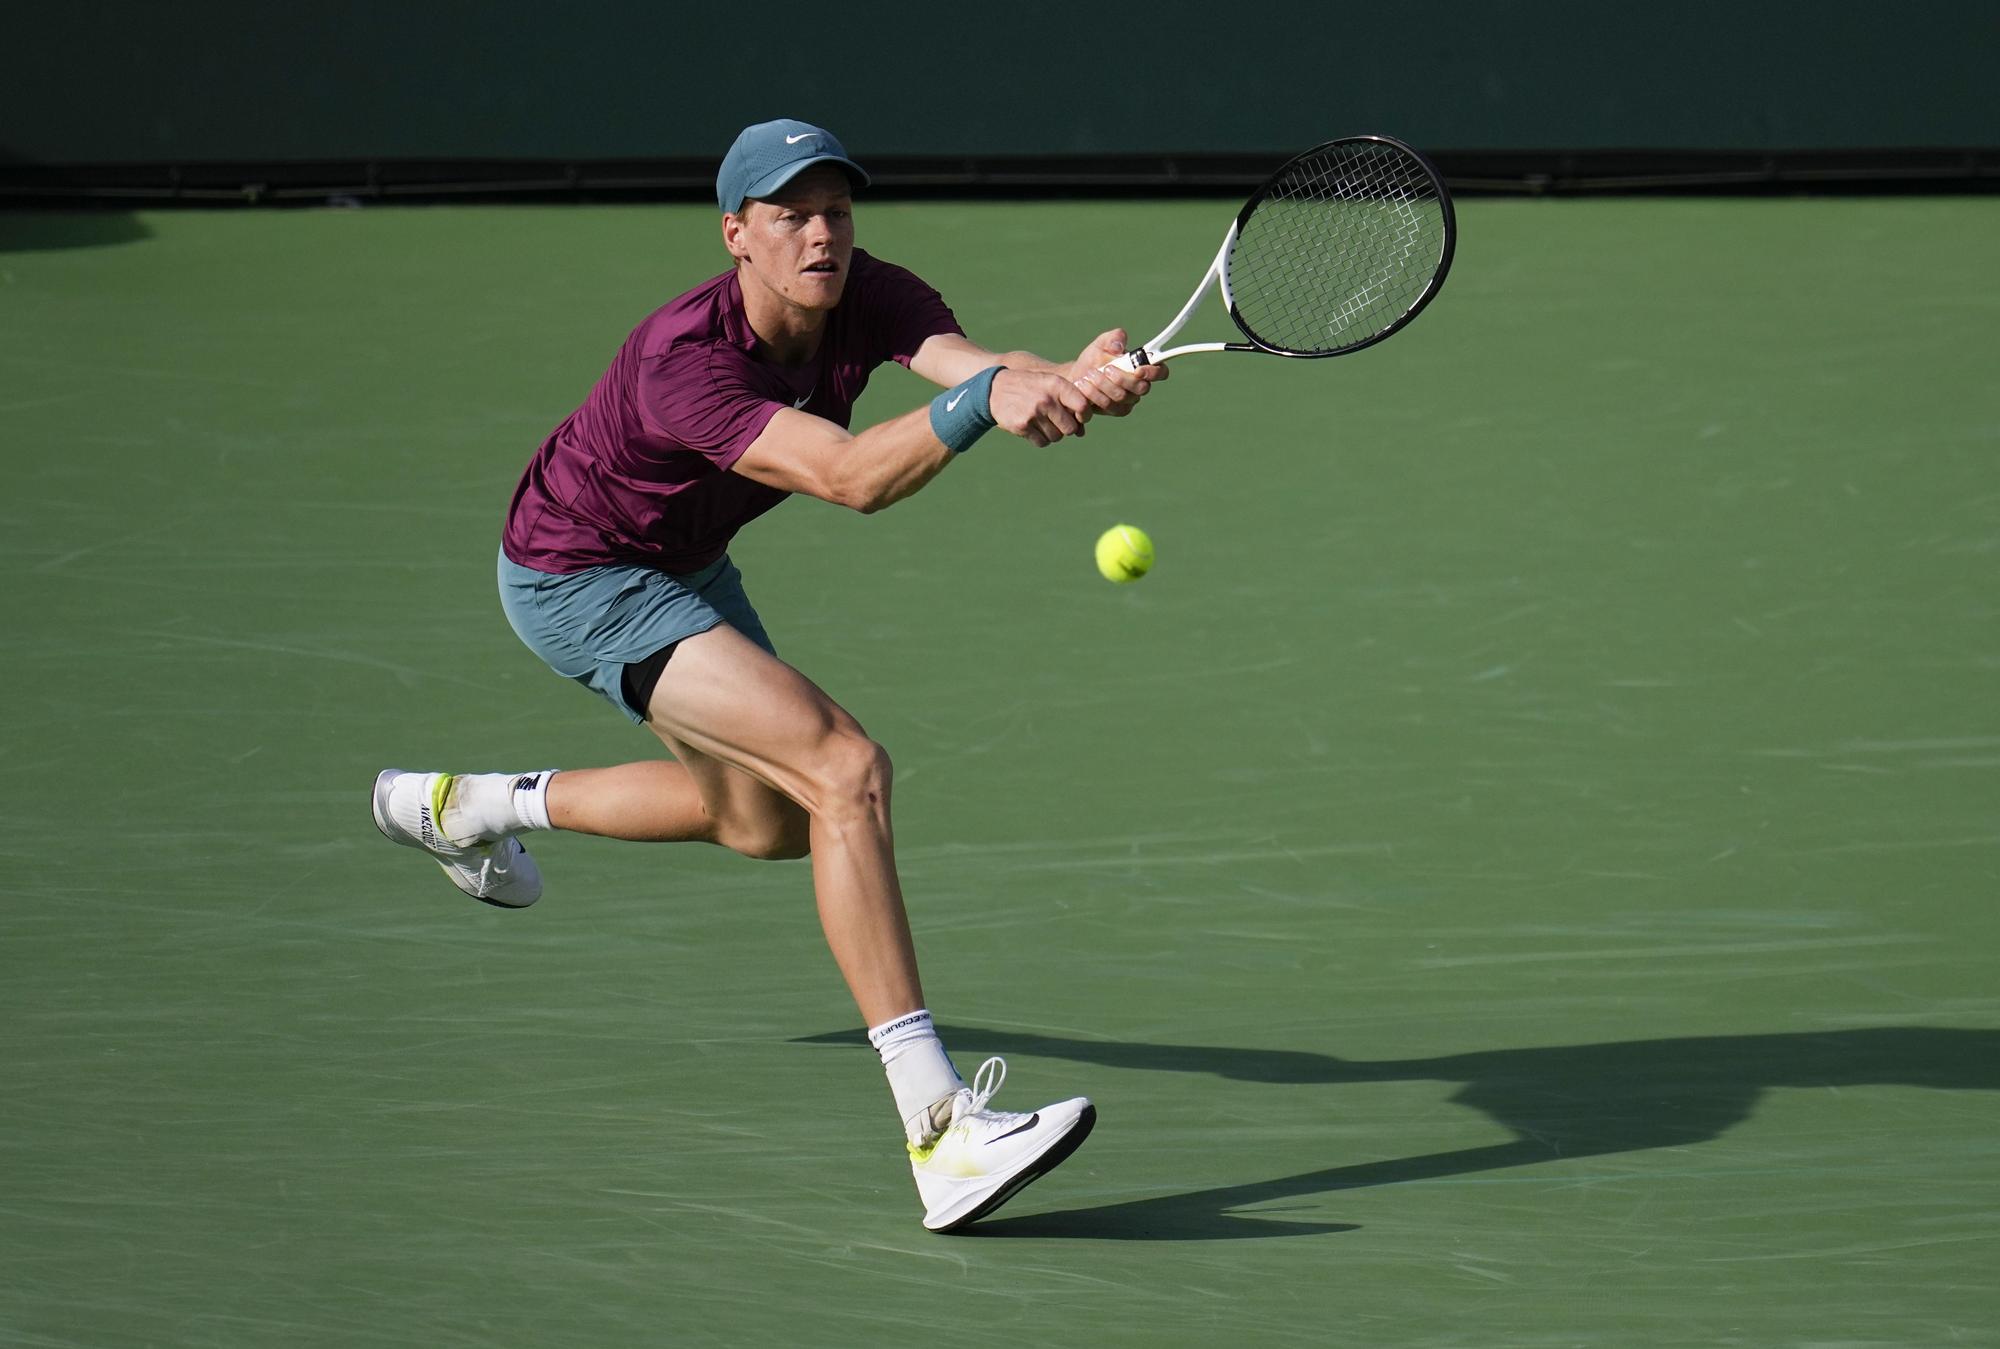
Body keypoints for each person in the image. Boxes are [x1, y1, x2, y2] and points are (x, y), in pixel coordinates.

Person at [370, 118, 1167, 1233]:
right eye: (789, 214)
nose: (820, 233)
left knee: (767, 823)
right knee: (844, 770)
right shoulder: (678, 363)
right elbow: (847, 476)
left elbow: (970, 367)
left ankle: (468, 805)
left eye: (834, 209)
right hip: (578, 575)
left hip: (682, 563)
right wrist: (987, 405)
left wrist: (1070, 377)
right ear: (735, 234)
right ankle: (939, 1129)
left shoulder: (870, 291)